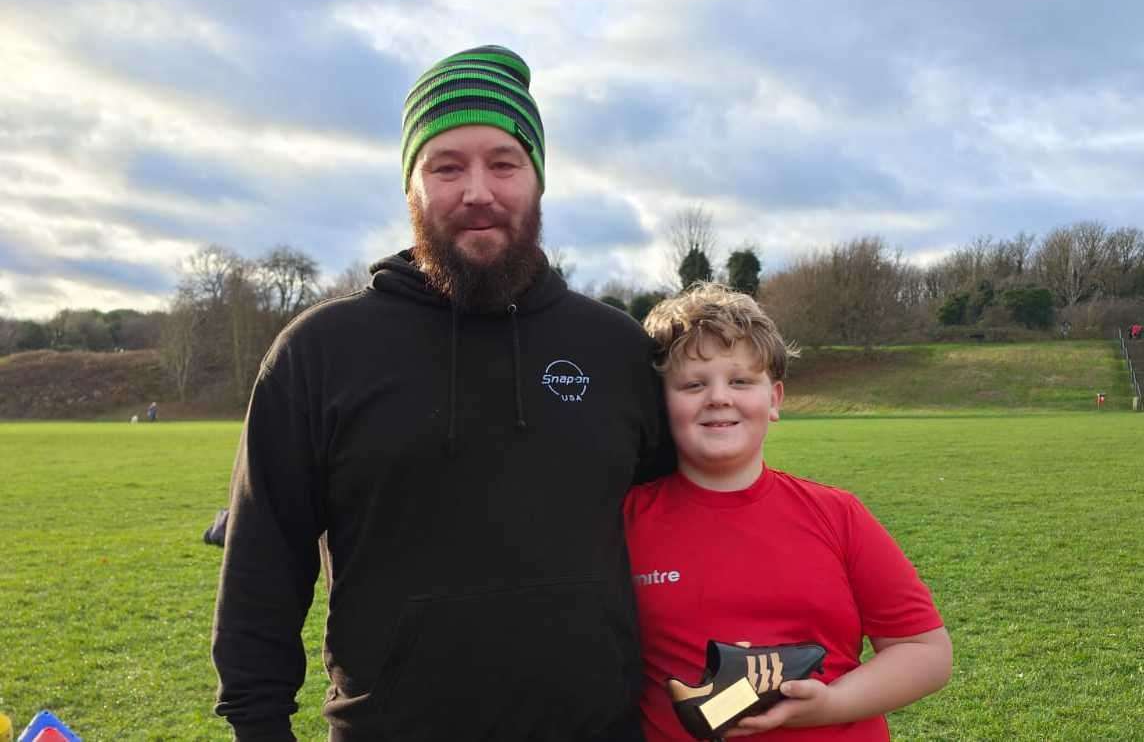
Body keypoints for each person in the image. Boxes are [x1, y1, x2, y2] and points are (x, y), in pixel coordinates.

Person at [212, 45, 668, 741]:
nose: (477, 190)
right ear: (411, 188)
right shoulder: (321, 353)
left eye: (504, 162)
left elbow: (687, 535)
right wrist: (258, 726)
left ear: (538, 180)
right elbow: (263, 567)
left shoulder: (615, 348)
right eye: (446, 165)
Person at [624, 283, 951, 741]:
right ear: (662, 404)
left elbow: (925, 650)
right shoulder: (623, 521)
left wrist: (830, 705)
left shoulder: (837, 515)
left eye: (740, 381)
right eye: (693, 384)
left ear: (774, 399)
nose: (719, 398)